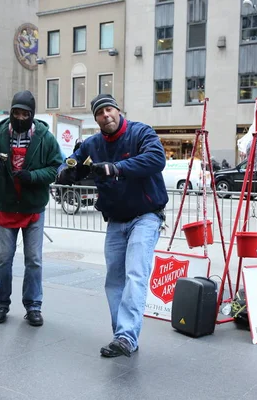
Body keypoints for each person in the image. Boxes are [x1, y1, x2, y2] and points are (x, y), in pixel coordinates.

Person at [56, 94, 168, 358]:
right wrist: (66, 172)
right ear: (95, 119)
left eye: (109, 109)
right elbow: (71, 162)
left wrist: (116, 168)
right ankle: (122, 335)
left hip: (146, 215)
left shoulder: (141, 132)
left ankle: (127, 336)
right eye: (99, 113)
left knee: (135, 274)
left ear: (118, 111)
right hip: (116, 219)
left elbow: (156, 159)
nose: (106, 115)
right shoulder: (93, 144)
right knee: (114, 280)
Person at [0, 90, 62, 326]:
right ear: (11, 112)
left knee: (34, 259)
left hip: (33, 208)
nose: (20, 117)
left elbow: (56, 167)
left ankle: (33, 305)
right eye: (16, 112)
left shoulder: (45, 137)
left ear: (32, 115)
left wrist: (32, 176)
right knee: (2, 258)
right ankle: (1, 303)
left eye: (25, 113)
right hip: (6, 206)